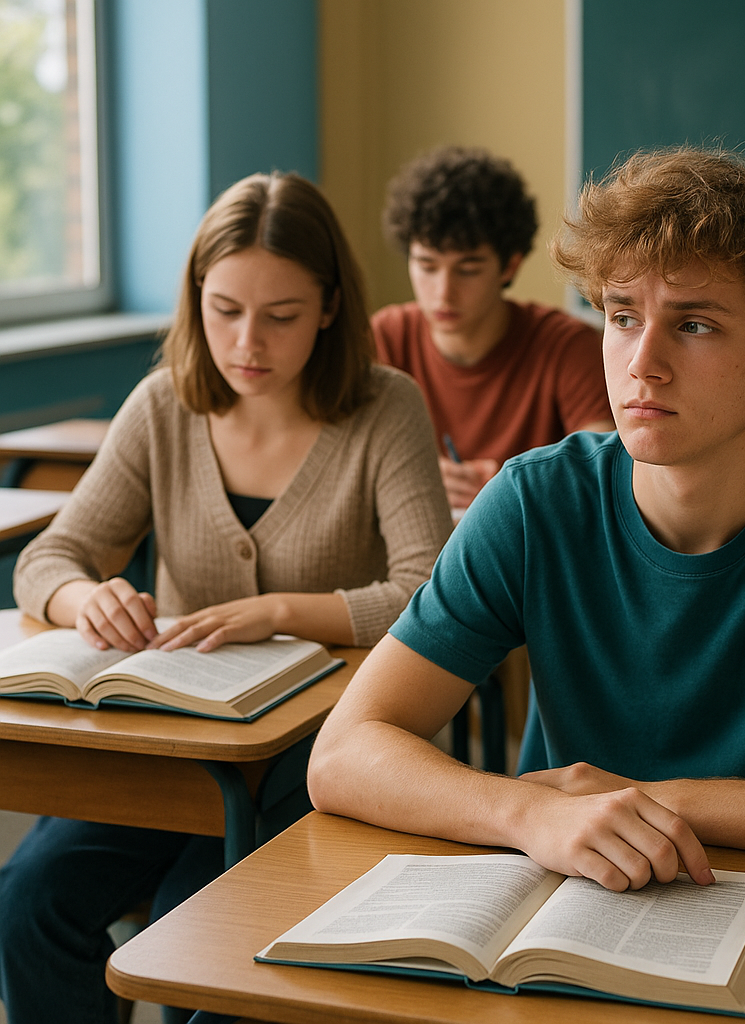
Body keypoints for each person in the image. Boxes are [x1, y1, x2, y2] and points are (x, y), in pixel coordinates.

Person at [307, 148, 745, 894]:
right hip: (578, 906)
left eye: (694, 324)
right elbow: (342, 754)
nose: (643, 362)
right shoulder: (535, 501)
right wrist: (525, 815)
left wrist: (662, 802)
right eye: (622, 315)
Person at [0, 171, 452, 1024]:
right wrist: (83, 598)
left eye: (282, 315)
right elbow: (52, 555)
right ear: (194, 299)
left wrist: (282, 610)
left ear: (328, 307)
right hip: (169, 750)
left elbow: (430, 595)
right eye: (224, 309)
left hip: (311, 751)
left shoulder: (385, 408)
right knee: (24, 907)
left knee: (189, 938)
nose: (248, 341)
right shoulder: (164, 405)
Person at [373, 145, 614, 510]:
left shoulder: (565, 344)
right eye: (426, 266)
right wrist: (410, 476)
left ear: (510, 266)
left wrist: (511, 485)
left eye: (468, 269)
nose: (443, 292)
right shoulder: (387, 337)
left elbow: (604, 469)